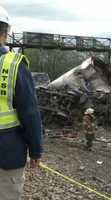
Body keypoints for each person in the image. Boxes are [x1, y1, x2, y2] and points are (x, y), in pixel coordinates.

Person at [0, 6, 42, 200]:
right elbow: (30, 113)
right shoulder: (14, 64)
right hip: (7, 153)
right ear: (5, 32)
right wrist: (36, 150)